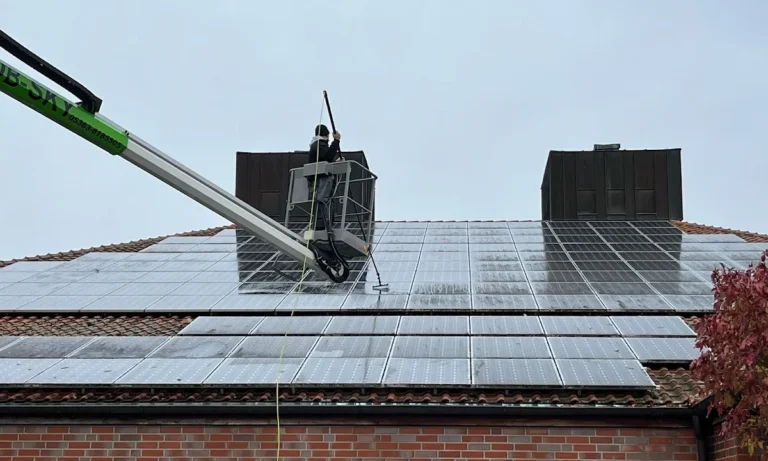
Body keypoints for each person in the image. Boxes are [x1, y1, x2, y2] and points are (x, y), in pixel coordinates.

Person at [307, 124, 343, 233]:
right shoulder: (319, 144)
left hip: (318, 179)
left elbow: (325, 160)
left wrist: (335, 163)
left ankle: (323, 225)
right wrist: (336, 141)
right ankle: (322, 226)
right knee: (323, 201)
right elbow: (327, 156)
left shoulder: (316, 145)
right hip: (322, 180)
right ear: (326, 136)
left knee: (323, 200)